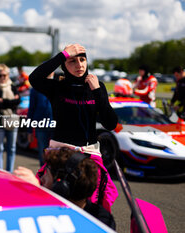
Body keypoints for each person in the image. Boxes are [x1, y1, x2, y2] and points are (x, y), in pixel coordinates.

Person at [29, 44, 118, 212]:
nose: (79, 65)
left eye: (82, 60)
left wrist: (98, 92)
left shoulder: (96, 87)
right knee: (58, 204)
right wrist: (63, 54)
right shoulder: (57, 87)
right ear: (64, 65)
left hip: (90, 156)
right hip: (61, 155)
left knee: (90, 207)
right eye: (72, 61)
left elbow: (111, 124)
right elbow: (34, 78)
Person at [13, 147, 116, 230]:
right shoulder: (102, 217)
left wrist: (36, 196)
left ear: (61, 187)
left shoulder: (101, 222)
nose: (41, 179)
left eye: (46, 174)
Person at [0, 64, 21, 172]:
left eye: (4, 75)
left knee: (12, 148)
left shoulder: (13, 87)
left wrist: (3, 101)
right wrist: (11, 102)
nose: (2, 78)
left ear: (8, 75)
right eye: (0, 75)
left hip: (12, 121)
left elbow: (18, 102)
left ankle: (9, 171)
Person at [27, 72, 54, 166]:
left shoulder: (58, 86)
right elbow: (31, 110)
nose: (49, 72)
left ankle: (54, 178)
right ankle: (43, 177)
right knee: (43, 153)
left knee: (55, 154)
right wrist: (29, 131)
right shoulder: (35, 89)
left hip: (55, 126)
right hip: (40, 126)